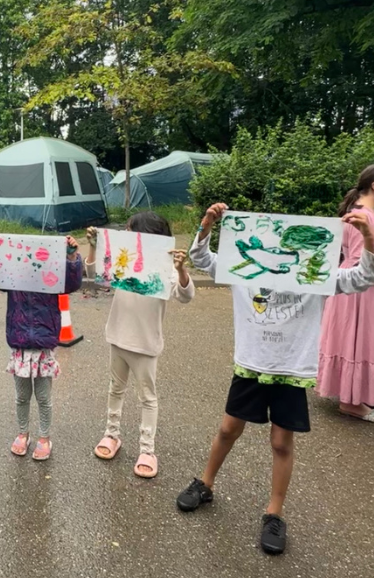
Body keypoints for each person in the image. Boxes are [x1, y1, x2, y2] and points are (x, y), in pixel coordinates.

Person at [177, 203, 374, 555]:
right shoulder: (244, 271)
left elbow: (361, 278)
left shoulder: (314, 274)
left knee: (282, 442)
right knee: (227, 429)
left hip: (291, 370)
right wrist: (206, 225)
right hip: (251, 364)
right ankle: (205, 483)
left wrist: (369, 240)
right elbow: (201, 258)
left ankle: (274, 513)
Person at [85, 214, 194, 477]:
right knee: (115, 389)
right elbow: (93, 274)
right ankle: (111, 435)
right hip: (118, 336)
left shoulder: (164, 266)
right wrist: (93, 245)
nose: (124, 232)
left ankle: (147, 450)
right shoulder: (124, 260)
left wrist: (180, 270)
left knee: (148, 397)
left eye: (129, 230)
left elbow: (185, 295)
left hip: (145, 343)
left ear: (144, 235)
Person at [0, 229, 83, 461]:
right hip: (20, 345)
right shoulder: (13, 279)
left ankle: (45, 437)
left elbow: (73, 283)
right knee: (21, 397)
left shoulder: (53, 278)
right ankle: (22, 433)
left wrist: (72, 257)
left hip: (44, 346)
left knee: (44, 398)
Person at [317, 166, 374, 421]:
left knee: (353, 336)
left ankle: (352, 395)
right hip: (359, 286)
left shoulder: (357, 212)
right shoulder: (366, 216)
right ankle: (351, 400)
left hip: (348, 281)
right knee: (358, 337)